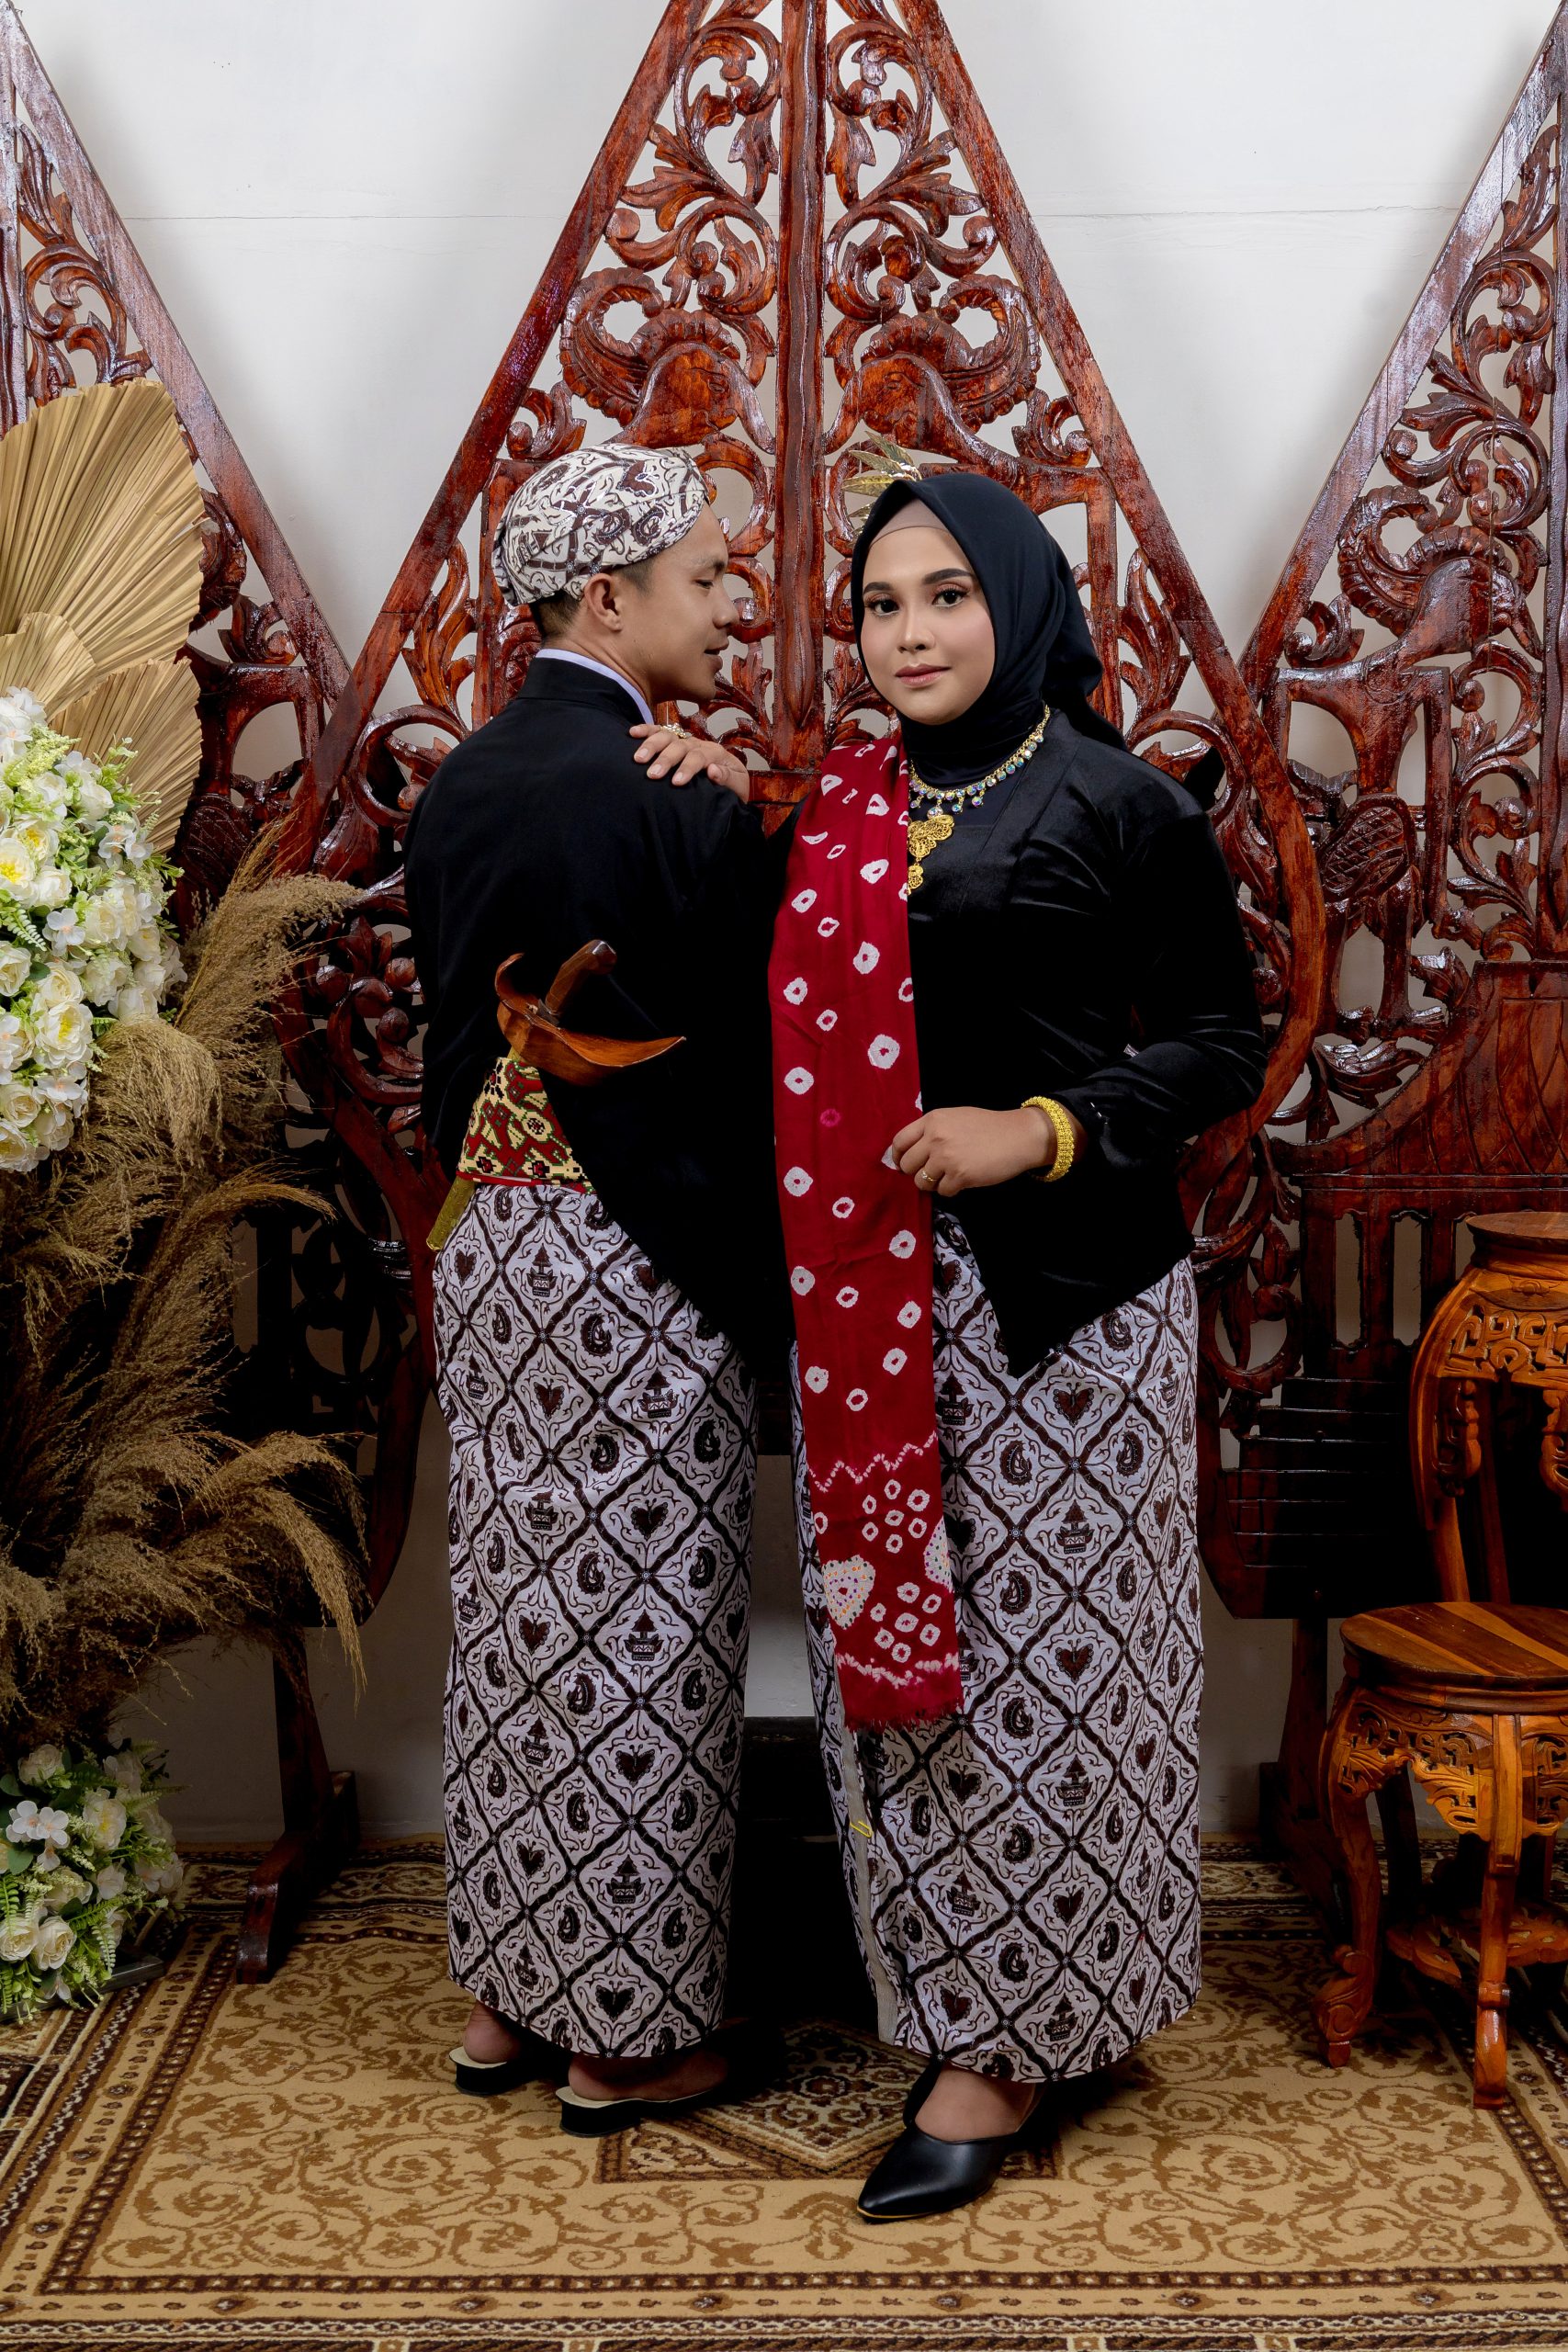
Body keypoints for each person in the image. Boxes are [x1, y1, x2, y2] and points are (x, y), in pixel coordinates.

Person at [769, 464, 1267, 2221]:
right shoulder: (838, 808)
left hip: (1070, 1314)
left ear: (1020, 601)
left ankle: (1021, 2037)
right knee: (907, 1671)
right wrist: (679, 767)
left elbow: (1222, 1041)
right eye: (880, 606)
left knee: (1063, 1678)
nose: (908, 634)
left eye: (947, 596)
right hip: (872, 1310)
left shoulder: (1119, 802)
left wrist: (1037, 1128)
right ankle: (965, 2006)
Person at [404, 438, 788, 2135]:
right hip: (637, 1256)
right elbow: (763, 1046)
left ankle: (508, 1998)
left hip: (492, 1244)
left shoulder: (464, 782)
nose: (732, 604)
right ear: (609, 599)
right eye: (705, 577)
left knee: (520, 1613)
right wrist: (742, 810)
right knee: (643, 1628)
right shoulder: (673, 791)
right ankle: (624, 2039)